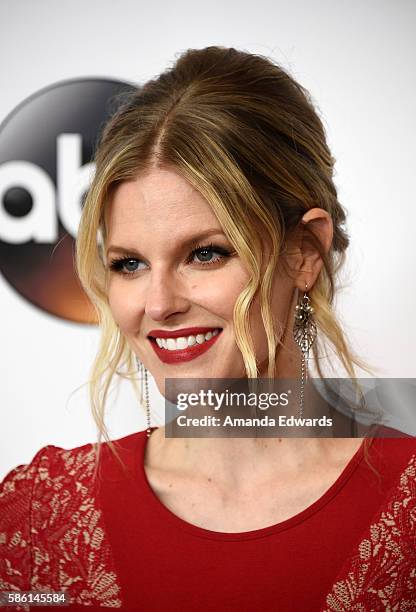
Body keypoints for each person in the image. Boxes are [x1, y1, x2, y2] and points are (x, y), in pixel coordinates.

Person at [1, 46, 415, 611]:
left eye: (205, 254)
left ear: (303, 251)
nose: (159, 304)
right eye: (130, 263)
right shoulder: (37, 516)